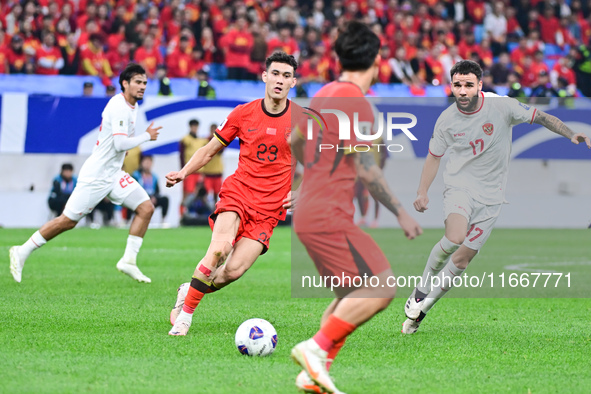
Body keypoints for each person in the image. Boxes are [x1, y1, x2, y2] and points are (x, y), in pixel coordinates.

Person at [402, 60, 591, 334]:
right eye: (457, 85)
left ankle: (420, 313)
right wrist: (422, 192)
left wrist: (571, 133)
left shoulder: (503, 106)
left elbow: (543, 117)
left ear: (480, 85)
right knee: (455, 237)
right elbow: (433, 157)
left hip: (492, 197)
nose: (463, 91)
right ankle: (421, 289)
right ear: (451, 86)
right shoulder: (446, 120)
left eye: (468, 85)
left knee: (462, 261)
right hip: (459, 187)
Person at [289, 22, 423, 394]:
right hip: (328, 213)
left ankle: (313, 374)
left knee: (351, 295)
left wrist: (313, 174)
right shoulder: (357, 103)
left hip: (310, 211)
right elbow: (367, 171)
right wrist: (401, 213)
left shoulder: (324, 92)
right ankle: (314, 349)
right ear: (378, 60)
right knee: (382, 287)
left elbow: (294, 140)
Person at [165, 51, 300, 336]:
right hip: (238, 194)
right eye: (275, 73)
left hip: (269, 209)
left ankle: (189, 290)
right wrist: (184, 172)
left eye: (286, 76)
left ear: (293, 82)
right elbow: (210, 149)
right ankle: (185, 317)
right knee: (219, 249)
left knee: (233, 271)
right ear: (264, 76)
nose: (279, 80)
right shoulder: (243, 113)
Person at [9, 63, 163, 284]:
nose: (142, 86)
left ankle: (128, 261)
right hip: (97, 175)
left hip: (113, 174)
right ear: (125, 83)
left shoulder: (132, 106)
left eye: (145, 83)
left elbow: (120, 143)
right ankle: (21, 251)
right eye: (138, 82)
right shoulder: (118, 106)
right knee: (67, 221)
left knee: (146, 208)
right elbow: (120, 144)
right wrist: (146, 136)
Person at [132, 155, 169, 224]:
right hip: (140, 198)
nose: (147, 164)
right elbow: (134, 189)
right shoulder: (136, 175)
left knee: (165, 199)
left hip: (152, 198)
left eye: (149, 162)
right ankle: (127, 220)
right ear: (141, 163)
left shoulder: (154, 176)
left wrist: (154, 197)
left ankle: (163, 220)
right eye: (146, 162)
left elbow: (157, 191)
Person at [179, 119, 207, 210]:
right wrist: (183, 171)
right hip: (189, 172)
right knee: (187, 194)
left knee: (200, 195)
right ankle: (182, 216)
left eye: (196, 126)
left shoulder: (201, 140)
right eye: (193, 126)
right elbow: (181, 156)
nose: (195, 128)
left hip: (199, 171)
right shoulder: (185, 139)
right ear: (190, 127)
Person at [202, 123, 224, 204]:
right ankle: (206, 211)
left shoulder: (220, 140)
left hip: (217, 172)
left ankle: (214, 211)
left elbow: (220, 151)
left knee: (216, 194)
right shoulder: (206, 141)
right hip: (208, 172)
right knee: (206, 194)